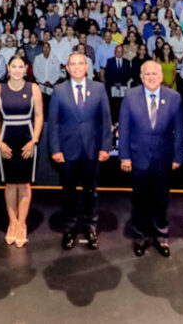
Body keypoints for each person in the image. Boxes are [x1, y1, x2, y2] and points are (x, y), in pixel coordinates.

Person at [118, 60, 183, 257]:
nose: (151, 77)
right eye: (147, 74)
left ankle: (161, 235)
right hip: (138, 159)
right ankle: (141, 236)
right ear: (141, 77)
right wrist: (124, 156)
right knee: (140, 200)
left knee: (161, 200)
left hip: (164, 159)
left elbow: (179, 130)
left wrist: (178, 156)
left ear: (162, 76)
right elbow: (124, 129)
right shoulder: (130, 96)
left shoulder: (174, 97)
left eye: (154, 74)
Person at [47, 52, 112, 250]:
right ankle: (69, 229)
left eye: (80, 64)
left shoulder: (99, 88)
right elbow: (53, 123)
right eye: (72, 64)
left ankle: (91, 227)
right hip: (67, 152)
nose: (76, 67)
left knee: (91, 192)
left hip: (92, 151)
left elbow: (106, 120)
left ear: (86, 67)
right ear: (67, 68)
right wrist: (55, 149)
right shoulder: (58, 90)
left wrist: (105, 147)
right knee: (68, 193)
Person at [0, 55, 44, 247]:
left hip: (27, 140)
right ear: (8, 68)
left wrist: (34, 141)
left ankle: (22, 224)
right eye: (13, 66)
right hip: (6, 140)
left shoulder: (34, 88)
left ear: (25, 69)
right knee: (10, 185)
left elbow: (38, 116)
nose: (16, 70)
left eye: (20, 66)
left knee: (24, 185)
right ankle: (12, 223)